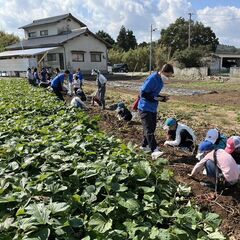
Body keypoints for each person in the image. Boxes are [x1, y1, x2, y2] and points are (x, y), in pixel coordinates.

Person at [137, 63, 174, 160]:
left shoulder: (161, 81)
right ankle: (155, 150)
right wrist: (156, 98)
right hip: (145, 107)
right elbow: (143, 93)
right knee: (148, 129)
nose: (168, 78)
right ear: (163, 72)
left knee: (152, 128)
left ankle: (144, 146)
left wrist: (162, 98)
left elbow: (154, 95)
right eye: (167, 75)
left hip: (153, 107)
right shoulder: (153, 78)